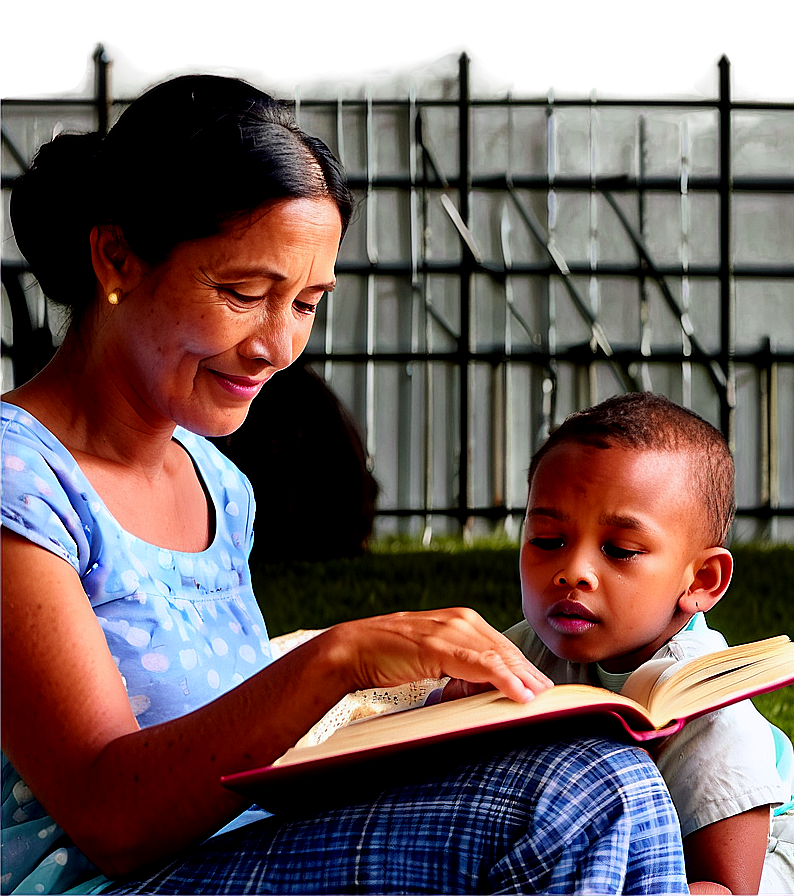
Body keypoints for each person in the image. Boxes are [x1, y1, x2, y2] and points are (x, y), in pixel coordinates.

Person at [0, 74, 690, 895]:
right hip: (111, 883)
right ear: (117, 256)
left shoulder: (216, 482)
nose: (277, 346)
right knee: (575, 801)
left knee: (609, 773)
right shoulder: (20, 478)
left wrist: (421, 717)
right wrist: (336, 662)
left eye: (307, 304)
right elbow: (111, 818)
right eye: (243, 294)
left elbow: (229, 755)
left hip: (238, 851)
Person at [443, 392, 794, 895]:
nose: (573, 573)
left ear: (700, 581)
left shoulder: (709, 705)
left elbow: (726, 885)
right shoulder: (528, 647)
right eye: (548, 540)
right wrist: (453, 704)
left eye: (621, 550)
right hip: (627, 838)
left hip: (770, 851)